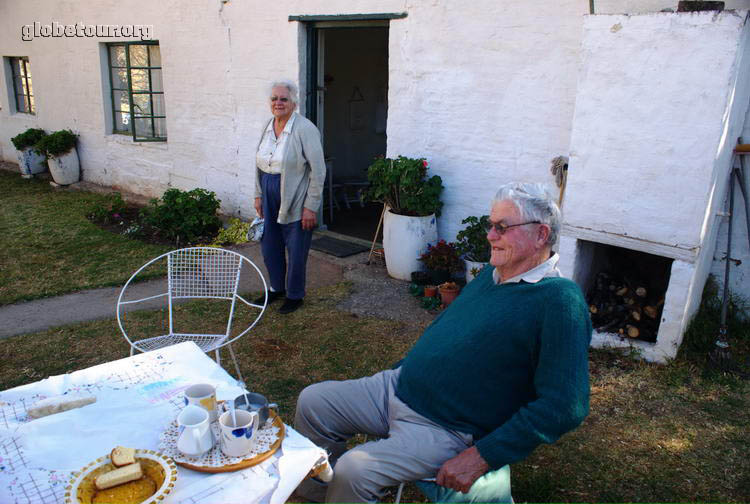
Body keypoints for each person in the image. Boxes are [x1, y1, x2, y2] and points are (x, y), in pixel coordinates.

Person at [294, 182, 592, 503]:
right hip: (397, 388)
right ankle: (318, 494)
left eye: (502, 228)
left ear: (541, 235)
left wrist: (483, 456)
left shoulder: (559, 301)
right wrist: (407, 370)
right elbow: (448, 330)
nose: (490, 235)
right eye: (491, 225)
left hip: (445, 428)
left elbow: (565, 406)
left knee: (355, 468)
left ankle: (344, 492)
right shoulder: (492, 276)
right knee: (314, 403)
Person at [254, 81, 326, 314]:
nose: (278, 103)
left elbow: (318, 170)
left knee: (296, 249)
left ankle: (295, 294)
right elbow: (259, 163)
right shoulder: (267, 125)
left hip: (295, 197)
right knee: (269, 245)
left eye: (283, 99)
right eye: (274, 99)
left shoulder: (305, 129)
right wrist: (258, 195)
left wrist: (310, 207)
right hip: (268, 190)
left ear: (294, 103)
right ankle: (276, 288)